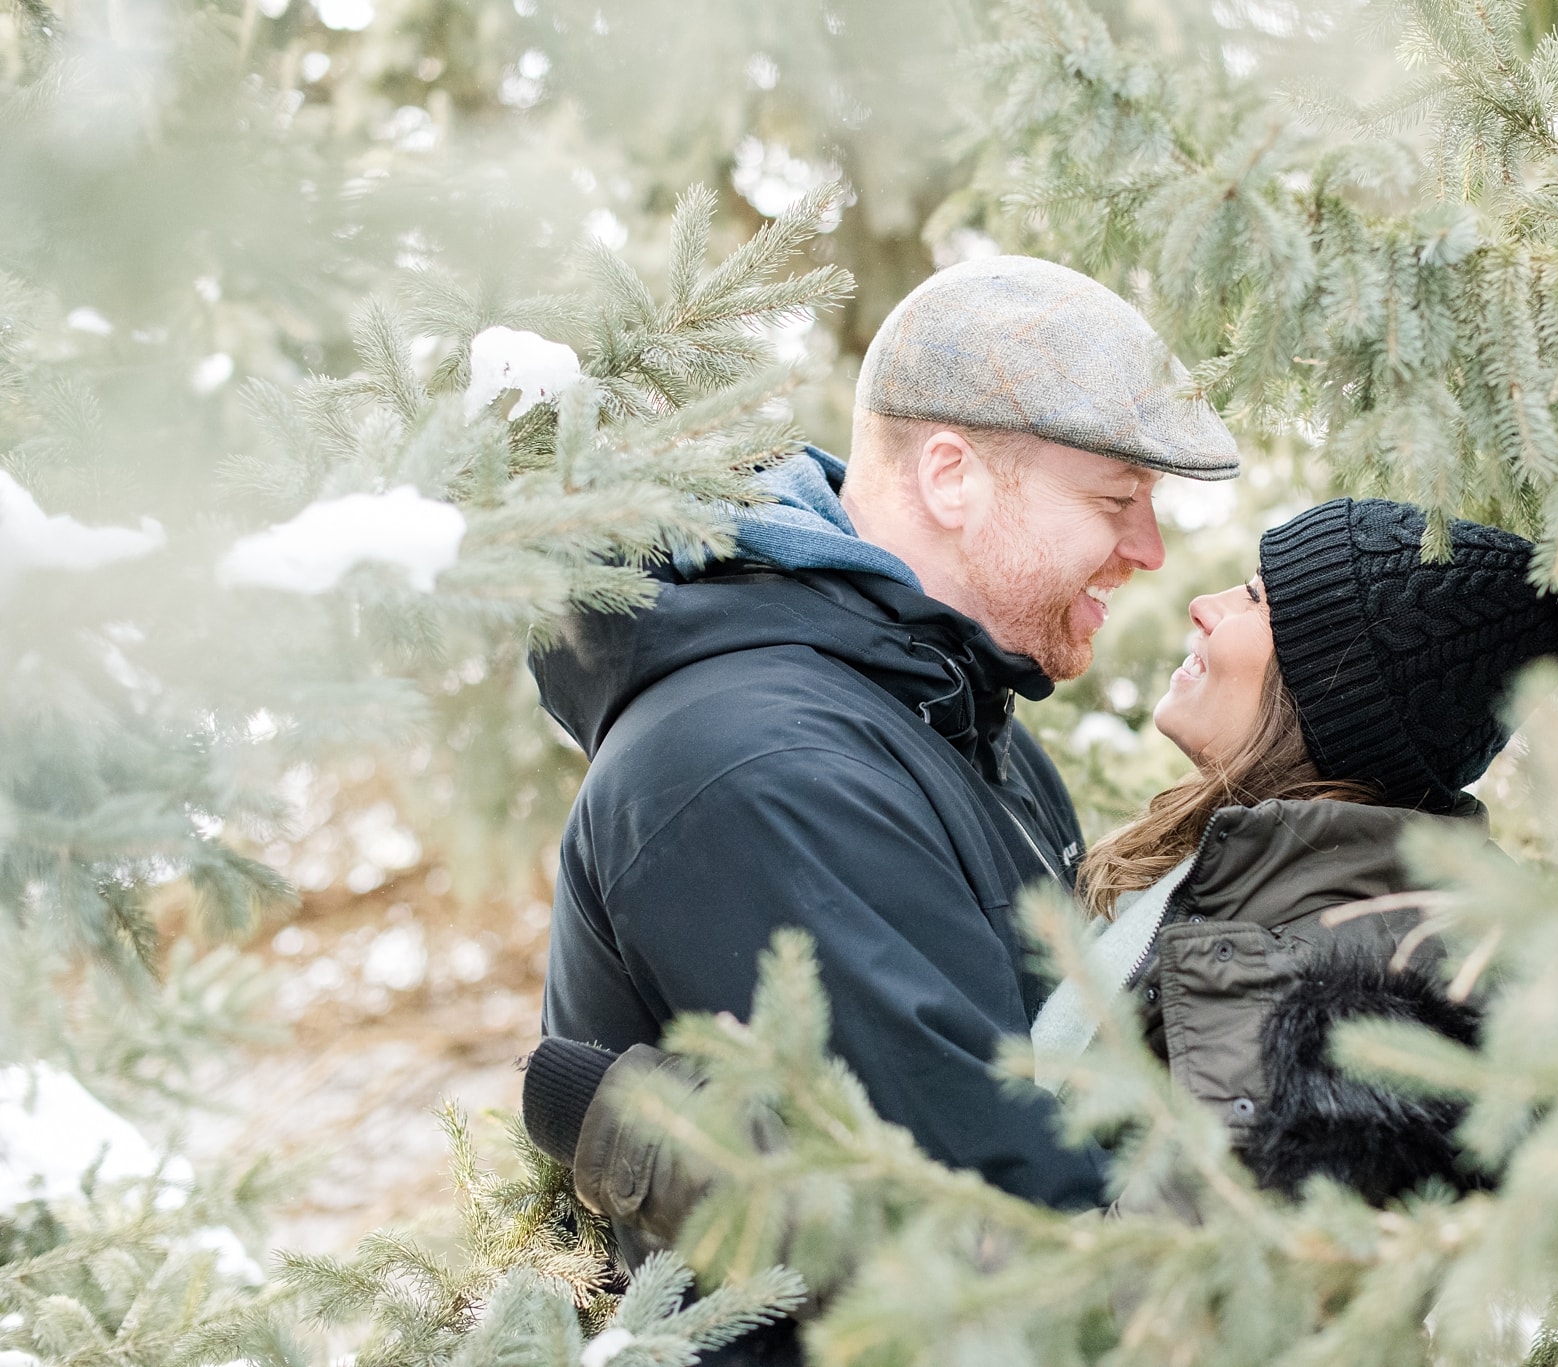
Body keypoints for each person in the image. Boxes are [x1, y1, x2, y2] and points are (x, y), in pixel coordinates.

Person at [519, 255, 1239, 1252]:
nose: (1150, 549)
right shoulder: (763, 764)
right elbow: (985, 1222)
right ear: (952, 477)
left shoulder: (958, 719)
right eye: (1117, 501)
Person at [1031, 495, 1558, 1200]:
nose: (1203, 604)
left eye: (1255, 599)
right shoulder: (1227, 884)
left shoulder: (1324, 995)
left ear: (1327, 699)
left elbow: (1193, 1285)